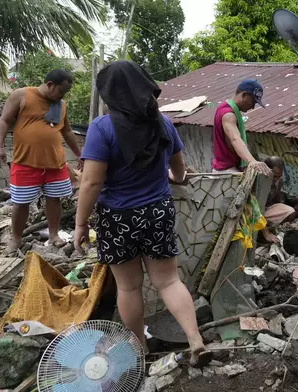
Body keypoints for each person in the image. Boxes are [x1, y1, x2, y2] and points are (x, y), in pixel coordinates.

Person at [73, 61, 210, 366]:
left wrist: (80, 223)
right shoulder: (163, 124)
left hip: (118, 217)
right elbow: (179, 171)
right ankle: (195, 340)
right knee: (169, 282)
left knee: (129, 286)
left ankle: (140, 351)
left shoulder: (102, 128)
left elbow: (92, 181)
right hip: (158, 212)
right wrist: (173, 179)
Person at [0, 69, 82, 253]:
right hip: (25, 162)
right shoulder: (21, 95)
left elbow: (67, 132)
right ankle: (16, 239)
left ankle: (54, 235)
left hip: (55, 163)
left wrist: (80, 154)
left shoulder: (61, 104)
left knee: (54, 199)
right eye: (61, 91)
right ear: (49, 84)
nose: (62, 96)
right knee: (20, 202)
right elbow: (4, 121)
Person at [211, 79, 272, 176]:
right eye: (253, 102)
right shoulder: (228, 114)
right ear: (244, 95)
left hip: (228, 168)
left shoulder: (229, 109)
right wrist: (252, 161)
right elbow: (235, 139)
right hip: (227, 171)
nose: (252, 107)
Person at [261, 156, 296, 242]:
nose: (276, 179)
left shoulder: (278, 181)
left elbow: (277, 202)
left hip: (266, 210)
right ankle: (262, 230)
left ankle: (270, 227)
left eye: (279, 176)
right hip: (255, 212)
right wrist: (267, 234)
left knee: (290, 212)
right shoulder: (260, 181)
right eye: (275, 176)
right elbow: (255, 208)